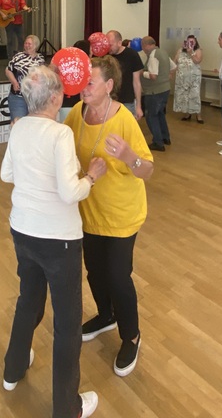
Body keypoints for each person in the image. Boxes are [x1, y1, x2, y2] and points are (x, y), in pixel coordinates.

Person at [0, 67, 103, 418]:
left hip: (22, 229)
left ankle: (13, 370)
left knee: (28, 300)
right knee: (67, 322)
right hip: (59, 240)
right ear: (57, 98)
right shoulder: (60, 133)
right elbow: (70, 192)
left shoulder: (18, 127)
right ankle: (67, 408)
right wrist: (92, 176)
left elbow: (6, 174)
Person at [64, 56, 154, 378]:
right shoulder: (77, 112)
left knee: (118, 276)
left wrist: (129, 156)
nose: (83, 87)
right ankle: (106, 315)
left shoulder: (123, 119)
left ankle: (131, 336)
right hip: (89, 213)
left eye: (90, 82)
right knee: (95, 272)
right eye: (82, 81)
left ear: (109, 85)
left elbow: (148, 170)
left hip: (121, 215)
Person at [5, 34, 45, 125]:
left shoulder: (40, 58)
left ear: (35, 45)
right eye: (26, 43)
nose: (27, 45)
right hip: (19, 97)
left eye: (29, 44)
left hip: (34, 98)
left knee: (33, 125)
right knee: (18, 124)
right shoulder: (18, 56)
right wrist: (14, 82)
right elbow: (8, 70)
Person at [140, 36, 172, 152]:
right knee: (160, 114)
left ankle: (158, 142)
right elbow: (173, 67)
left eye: (143, 46)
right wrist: (166, 77)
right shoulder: (163, 52)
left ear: (147, 45)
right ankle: (165, 137)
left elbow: (153, 76)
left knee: (151, 116)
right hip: (165, 89)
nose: (143, 49)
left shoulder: (153, 56)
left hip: (154, 91)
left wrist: (142, 73)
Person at [106, 30, 144, 120]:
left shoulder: (132, 55)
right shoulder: (106, 56)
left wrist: (138, 106)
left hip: (127, 102)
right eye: (107, 45)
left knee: (126, 127)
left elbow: (136, 82)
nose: (108, 48)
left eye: (111, 45)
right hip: (109, 101)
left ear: (119, 43)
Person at [174, 35, 204, 123]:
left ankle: (198, 115)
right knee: (185, 96)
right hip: (182, 78)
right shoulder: (180, 50)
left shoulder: (198, 50)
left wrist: (191, 53)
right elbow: (175, 61)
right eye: (188, 42)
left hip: (194, 78)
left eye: (192, 42)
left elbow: (197, 61)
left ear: (195, 42)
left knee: (195, 95)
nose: (190, 43)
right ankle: (187, 114)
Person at [59, 40, 91, 122]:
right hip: (78, 106)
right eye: (90, 50)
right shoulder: (86, 68)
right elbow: (83, 92)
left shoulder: (66, 65)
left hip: (64, 104)